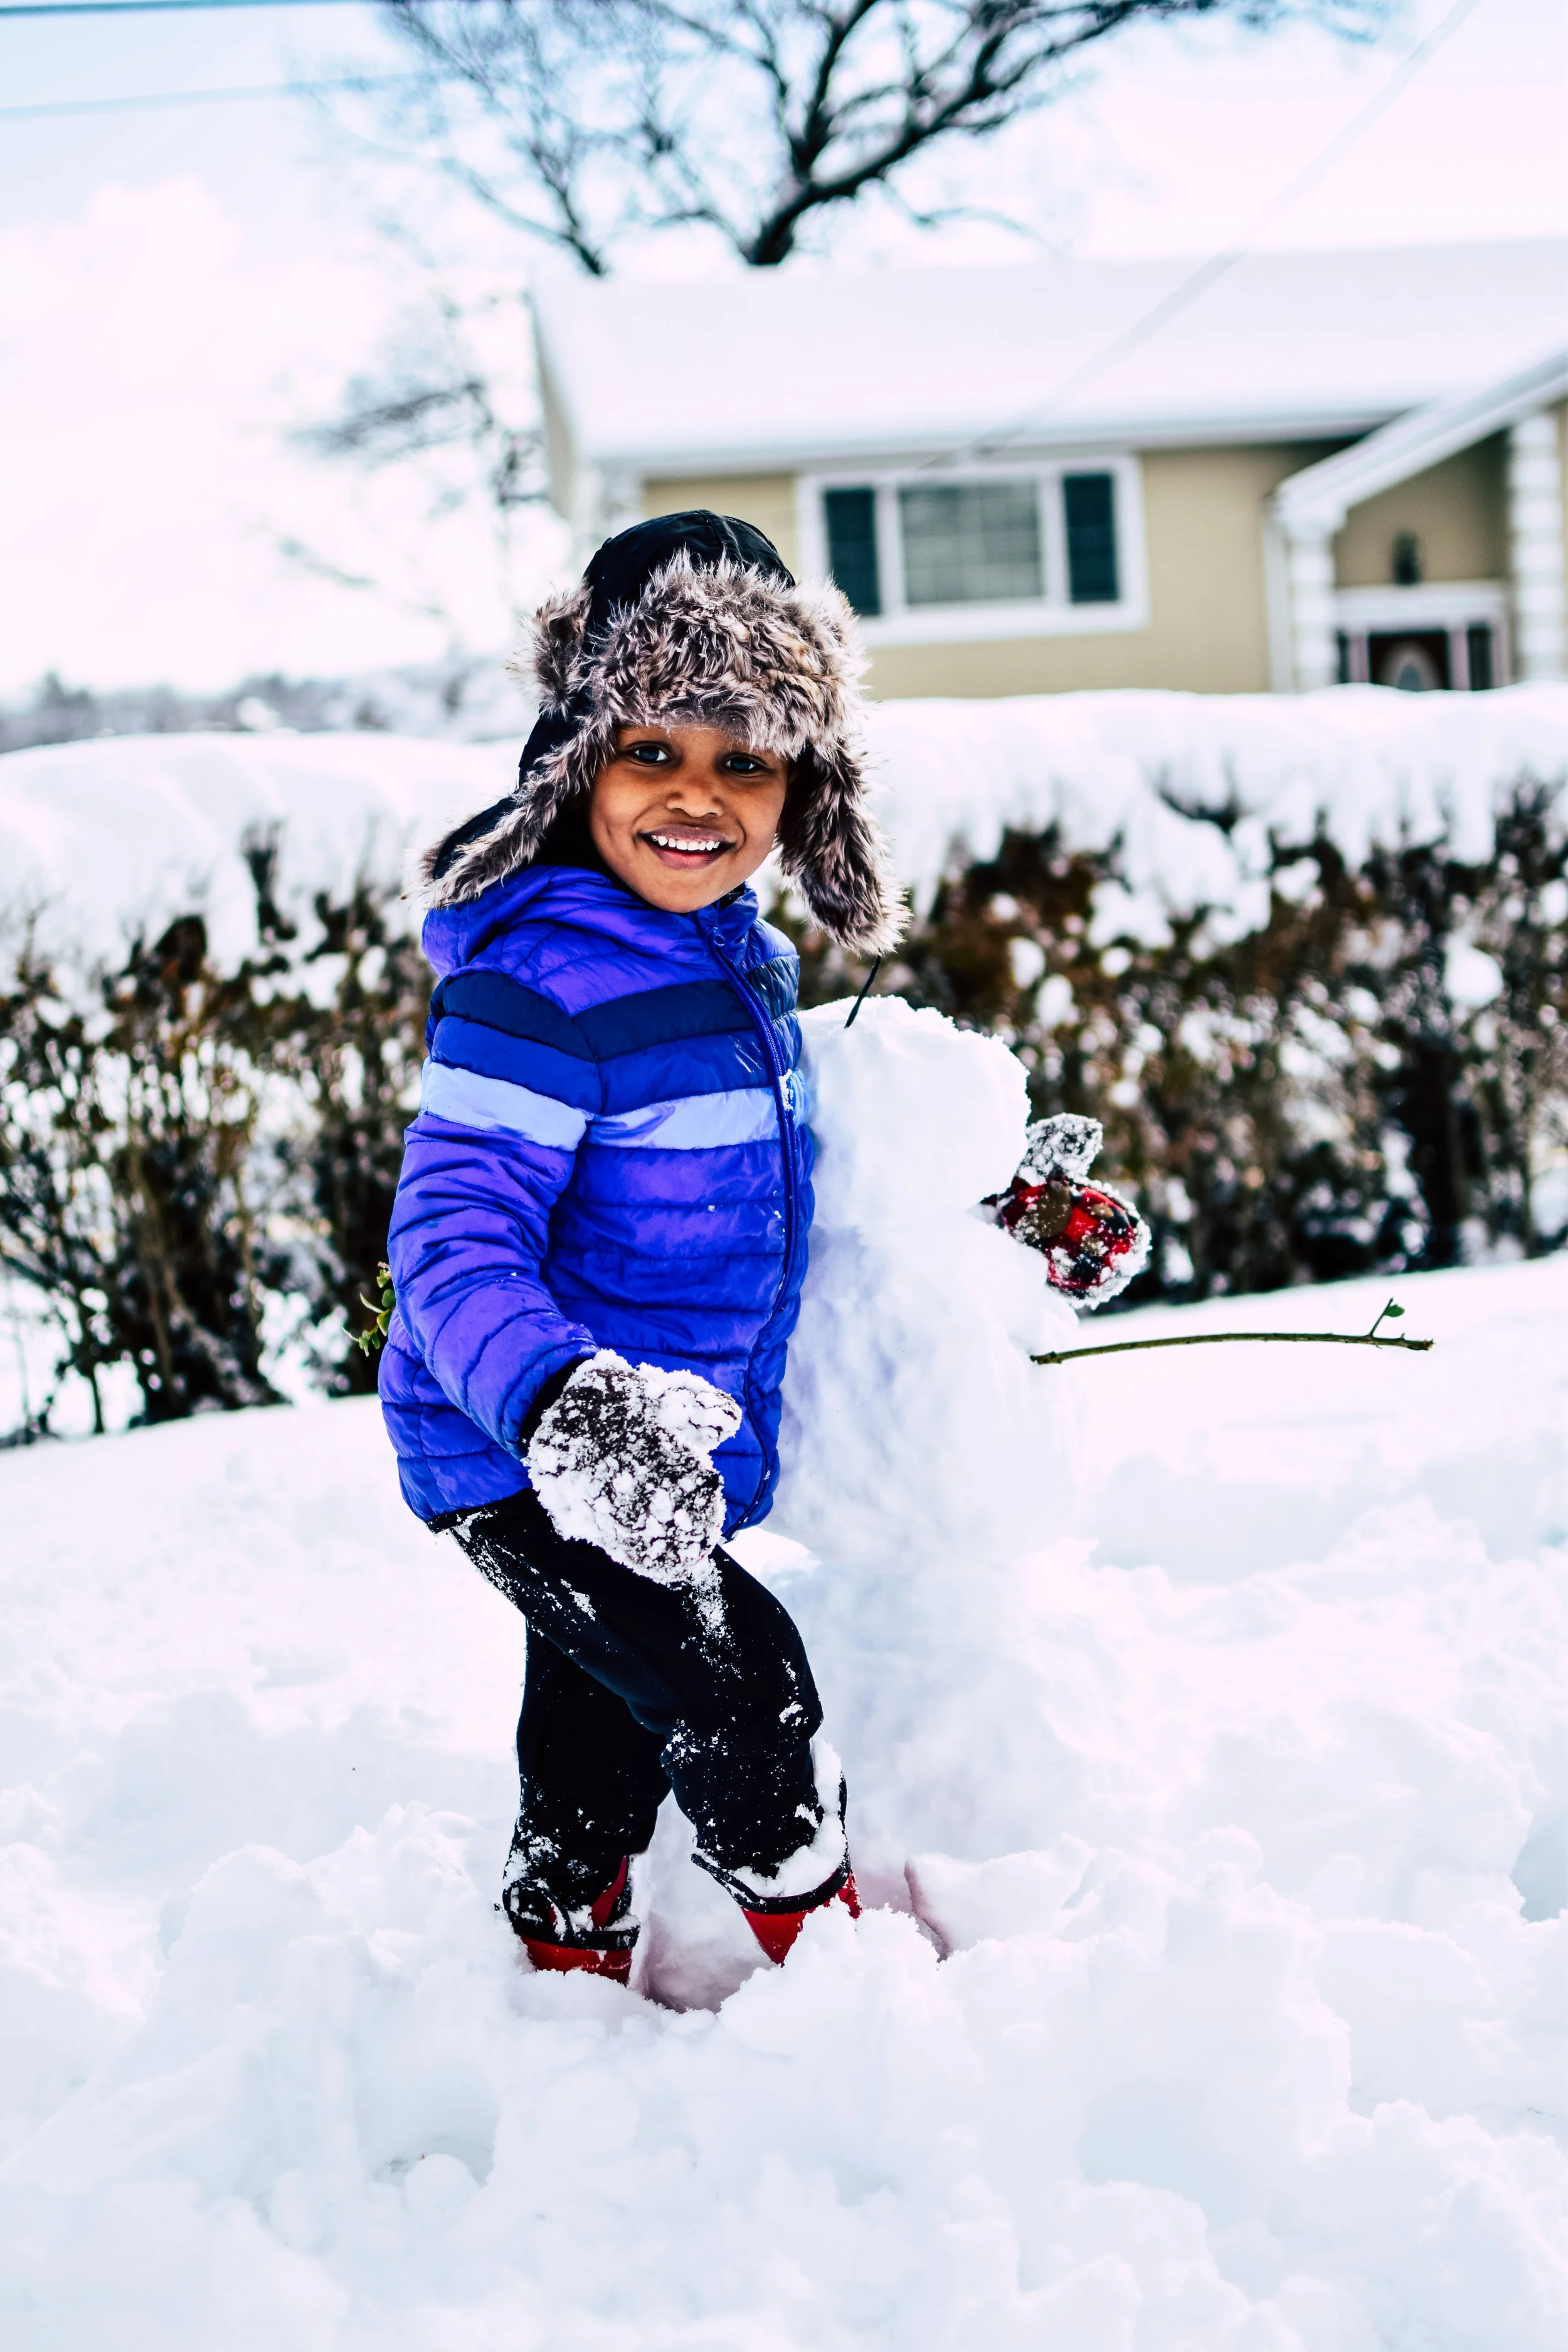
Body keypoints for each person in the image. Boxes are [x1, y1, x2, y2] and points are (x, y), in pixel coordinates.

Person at [378, 511, 903, 1984]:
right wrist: (563, 1408)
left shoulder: (734, 956)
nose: (698, 797)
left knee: (605, 1714)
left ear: (803, 785)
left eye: (744, 760)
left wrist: (1001, 1211)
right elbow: (454, 1227)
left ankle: (562, 1951)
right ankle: (843, 1991)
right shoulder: (541, 981)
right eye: (650, 751)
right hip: (528, 1440)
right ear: (571, 761)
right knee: (747, 1697)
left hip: (655, 1448)